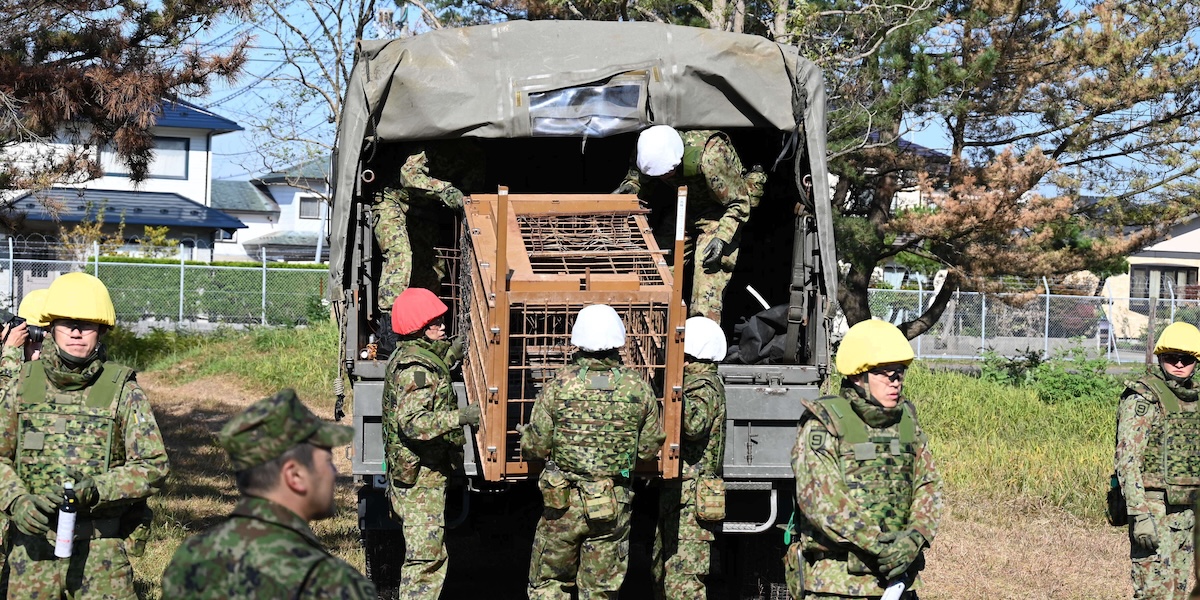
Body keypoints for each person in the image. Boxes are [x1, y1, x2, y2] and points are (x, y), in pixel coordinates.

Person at [0, 272, 169, 599]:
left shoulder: (123, 391)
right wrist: (17, 501)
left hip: (100, 552)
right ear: (51, 328)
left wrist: (98, 489)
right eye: (67, 323)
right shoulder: (21, 385)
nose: (76, 332)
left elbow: (153, 465)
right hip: (31, 551)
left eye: (87, 324)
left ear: (101, 330)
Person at [161, 389, 377, 599]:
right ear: (294, 475)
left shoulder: (191, 560)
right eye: (328, 461)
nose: (334, 472)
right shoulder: (336, 584)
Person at [786, 319, 941, 599]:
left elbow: (928, 486)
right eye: (885, 374)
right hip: (838, 585)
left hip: (899, 581)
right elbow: (824, 504)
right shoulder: (825, 423)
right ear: (858, 376)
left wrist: (915, 538)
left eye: (900, 373)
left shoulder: (907, 421)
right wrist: (883, 547)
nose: (896, 382)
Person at [521, 303, 666, 599]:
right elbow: (648, 450)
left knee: (549, 585)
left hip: (563, 504)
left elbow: (536, 447)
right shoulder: (638, 388)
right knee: (600, 592)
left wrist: (526, 436)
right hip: (612, 502)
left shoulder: (559, 385)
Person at [382, 286, 479, 599]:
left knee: (425, 556)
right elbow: (413, 423)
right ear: (418, 328)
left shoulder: (412, 356)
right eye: (435, 323)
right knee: (425, 560)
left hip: (417, 475)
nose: (442, 327)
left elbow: (431, 375)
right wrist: (460, 417)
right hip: (420, 481)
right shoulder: (415, 369)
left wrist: (451, 355)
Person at [615, 125, 765, 322]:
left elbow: (739, 202)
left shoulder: (711, 157)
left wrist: (722, 237)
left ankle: (701, 334)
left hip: (720, 212)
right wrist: (631, 189)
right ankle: (653, 327)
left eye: (666, 173)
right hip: (684, 207)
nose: (662, 178)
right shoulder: (647, 148)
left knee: (707, 284)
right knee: (656, 268)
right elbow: (637, 177)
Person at [373, 140, 484, 354]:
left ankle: (425, 331)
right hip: (393, 200)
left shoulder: (475, 154)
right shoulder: (432, 142)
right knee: (400, 258)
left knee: (433, 270)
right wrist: (445, 190)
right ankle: (389, 333)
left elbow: (471, 191)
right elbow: (408, 175)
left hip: (424, 211)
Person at [1115, 321, 1200, 599]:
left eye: (1186, 358)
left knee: (1178, 592)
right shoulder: (1144, 397)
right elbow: (1127, 460)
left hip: (1186, 511)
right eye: (1171, 357)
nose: (1179, 364)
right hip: (1153, 509)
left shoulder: (1194, 399)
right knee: (1154, 593)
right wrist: (1139, 514)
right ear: (1160, 358)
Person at [653, 316, 727, 599]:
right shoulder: (696, 382)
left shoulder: (704, 386)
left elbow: (694, 426)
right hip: (681, 495)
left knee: (683, 583)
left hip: (692, 499)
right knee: (664, 574)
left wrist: (674, 390)